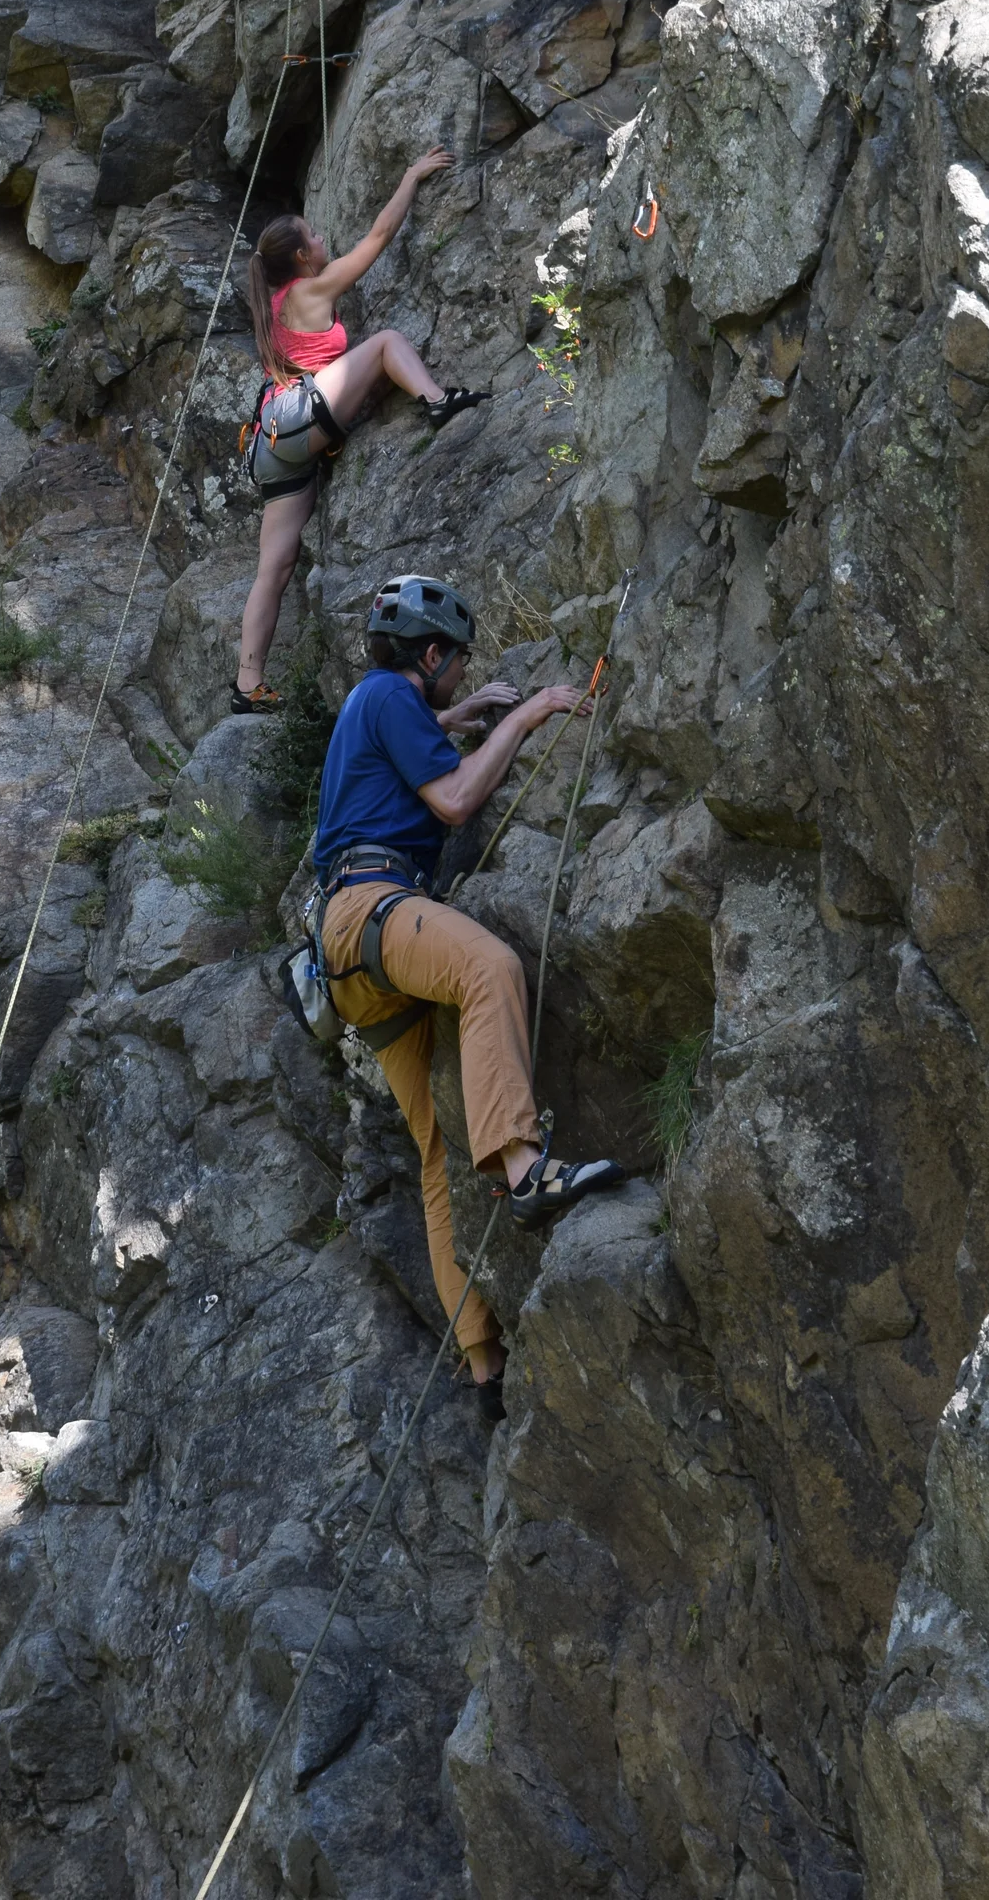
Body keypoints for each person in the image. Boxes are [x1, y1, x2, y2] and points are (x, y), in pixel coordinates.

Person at [306, 572, 625, 1418]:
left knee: (436, 1159)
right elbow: (450, 799)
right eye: (455, 668)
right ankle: (526, 1171)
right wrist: (525, 713)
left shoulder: (370, 705)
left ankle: (483, 1365)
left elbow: (413, 743)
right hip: (375, 909)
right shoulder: (388, 696)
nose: (458, 680)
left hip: (348, 962)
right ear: (433, 653)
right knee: (492, 968)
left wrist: (461, 716)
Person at [235, 155, 486, 713]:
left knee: (273, 568)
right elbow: (378, 237)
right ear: (303, 258)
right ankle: (437, 401)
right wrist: (410, 177)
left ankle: (247, 682)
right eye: (316, 236)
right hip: (299, 420)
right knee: (387, 341)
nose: (324, 239)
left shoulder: (275, 302)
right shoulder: (309, 292)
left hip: (273, 442)